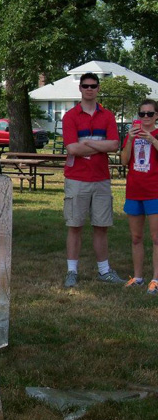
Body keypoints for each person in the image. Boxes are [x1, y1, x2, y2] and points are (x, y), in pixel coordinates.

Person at [62, 72, 124, 288]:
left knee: (101, 226)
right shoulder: (70, 116)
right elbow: (72, 148)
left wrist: (87, 143)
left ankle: (104, 271)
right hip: (76, 179)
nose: (89, 89)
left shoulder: (107, 116)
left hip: (101, 179)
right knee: (75, 226)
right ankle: (72, 271)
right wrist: (99, 144)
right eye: (85, 85)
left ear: (98, 89)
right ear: (80, 88)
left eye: (93, 85)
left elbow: (115, 145)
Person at [120, 99, 158, 293]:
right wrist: (130, 140)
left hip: (154, 191)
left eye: (149, 114)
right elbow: (124, 160)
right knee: (136, 237)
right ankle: (138, 276)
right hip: (134, 191)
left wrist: (152, 139)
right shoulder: (132, 135)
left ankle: (156, 279)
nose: (145, 118)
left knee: (156, 237)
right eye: (142, 114)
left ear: (156, 116)